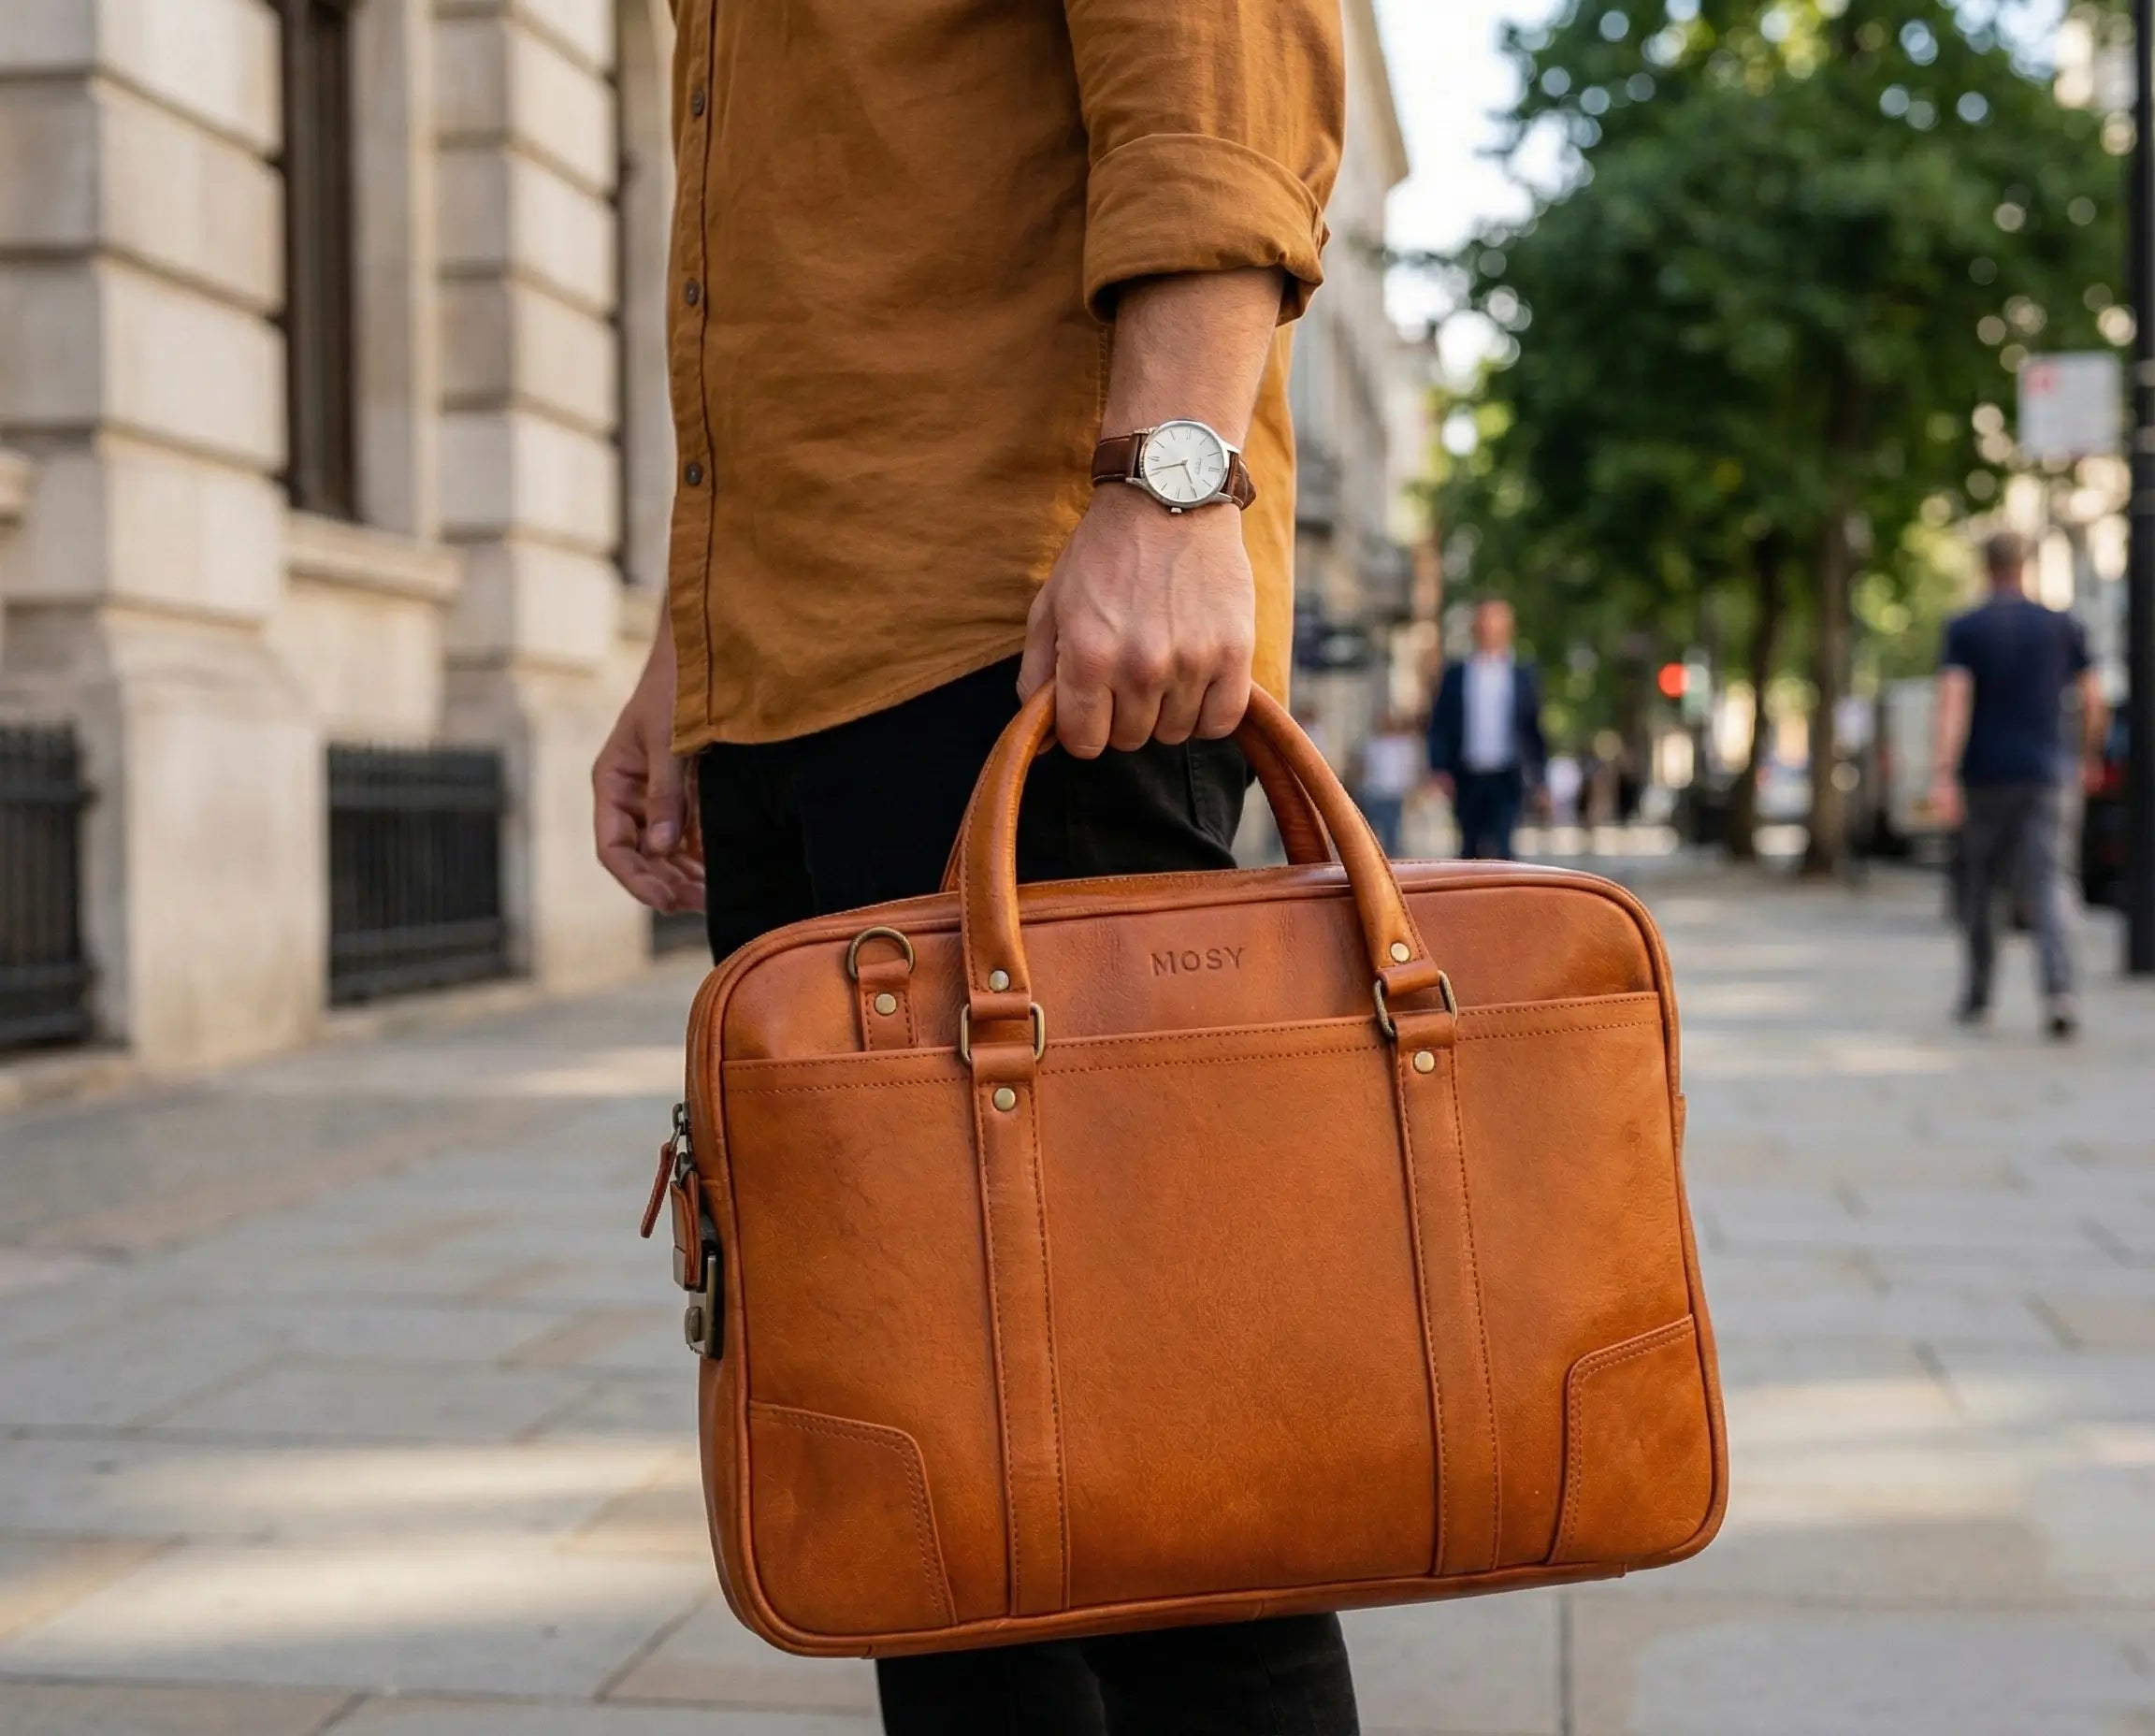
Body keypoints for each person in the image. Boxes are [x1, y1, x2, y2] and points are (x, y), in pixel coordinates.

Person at [589, 5, 1359, 1731]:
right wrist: (687, 645)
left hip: (1034, 661)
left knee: (1171, 1514)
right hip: (807, 661)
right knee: (913, 1499)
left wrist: (1171, 491)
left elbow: (1215, 73)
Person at [1929, 531, 2108, 1038]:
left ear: (1985, 568)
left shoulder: (1966, 628)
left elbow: (1953, 700)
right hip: (2049, 773)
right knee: (2051, 882)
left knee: (1984, 887)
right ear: (2025, 566)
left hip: (1986, 774)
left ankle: (1979, 995)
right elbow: (2094, 700)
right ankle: (2059, 991)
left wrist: (1943, 773)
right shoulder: (2060, 626)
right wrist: (2086, 757)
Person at [1425, 599, 1548, 860]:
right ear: (1475, 628)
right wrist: (1438, 768)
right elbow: (1440, 724)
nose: (1489, 628)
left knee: (1504, 847)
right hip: (1466, 774)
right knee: (1469, 848)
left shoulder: (1523, 675)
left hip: (1508, 775)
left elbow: (1534, 729)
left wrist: (1540, 780)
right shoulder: (1456, 674)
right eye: (1484, 622)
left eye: (1496, 622)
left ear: (1508, 628)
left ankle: (1505, 900)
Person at [1355, 714, 1424, 855]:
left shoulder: (1402, 746)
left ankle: (1390, 857)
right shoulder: (1373, 745)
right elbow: (1365, 769)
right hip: (1375, 793)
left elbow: (1408, 770)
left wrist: (1411, 791)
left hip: (1393, 794)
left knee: (1391, 830)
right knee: (1373, 829)